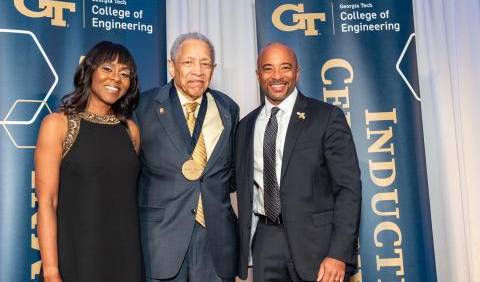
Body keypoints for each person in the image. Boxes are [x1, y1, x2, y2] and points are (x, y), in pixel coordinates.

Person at [235, 42, 362, 282]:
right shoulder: (245, 127)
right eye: (268, 69)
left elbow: (349, 189)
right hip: (266, 241)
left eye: (285, 68)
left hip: (319, 246)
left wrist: (338, 254)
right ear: (258, 75)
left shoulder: (326, 117)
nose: (277, 76)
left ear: (297, 72)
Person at [134, 32, 239, 282]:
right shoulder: (141, 107)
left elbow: (231, 173)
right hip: (161, 239)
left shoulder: (228, 109)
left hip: (216, 243)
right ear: (172, 66)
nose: (198, 71)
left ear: (213, 69)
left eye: (205, 63)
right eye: (189, 62)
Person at [35, 41, 142, 282]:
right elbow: (47, 202)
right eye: (107, 68)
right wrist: (51, 271)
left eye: (125, 74)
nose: (116, 78)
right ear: (89, 71)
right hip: (76, 258)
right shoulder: (58, 124)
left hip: (126, 259)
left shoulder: (130, 131)